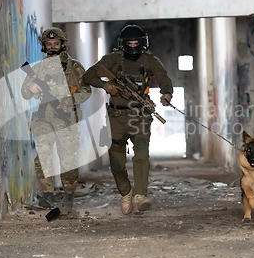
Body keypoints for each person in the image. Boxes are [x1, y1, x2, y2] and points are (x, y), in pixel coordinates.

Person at [82, 25, 173, 214]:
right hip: (116, 117)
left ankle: (140, 195)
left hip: (140, 115)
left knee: (141, 155)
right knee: (116, 160)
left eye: (136, 43)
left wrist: (166, 94)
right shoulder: (112, 60)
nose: (133, 46)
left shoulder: (149, 60)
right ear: (123, 44)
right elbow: (88, 76)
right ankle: (126, 192)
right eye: (129, 43)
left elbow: (163, 77)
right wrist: (105, 85)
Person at [21, 27, 91, 213]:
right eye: (49, 44)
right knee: (43, 157)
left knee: (67, 159)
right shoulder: (37, 68)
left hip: (67, 120)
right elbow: (24, 92)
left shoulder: (74, 68)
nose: (52, 47)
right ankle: (47, 195)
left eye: (56, 43)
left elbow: (86, 91)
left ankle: (68, 194)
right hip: (43, 120)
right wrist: (31, 88)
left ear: (62, 44)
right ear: (44, 46)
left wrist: (68, 101)